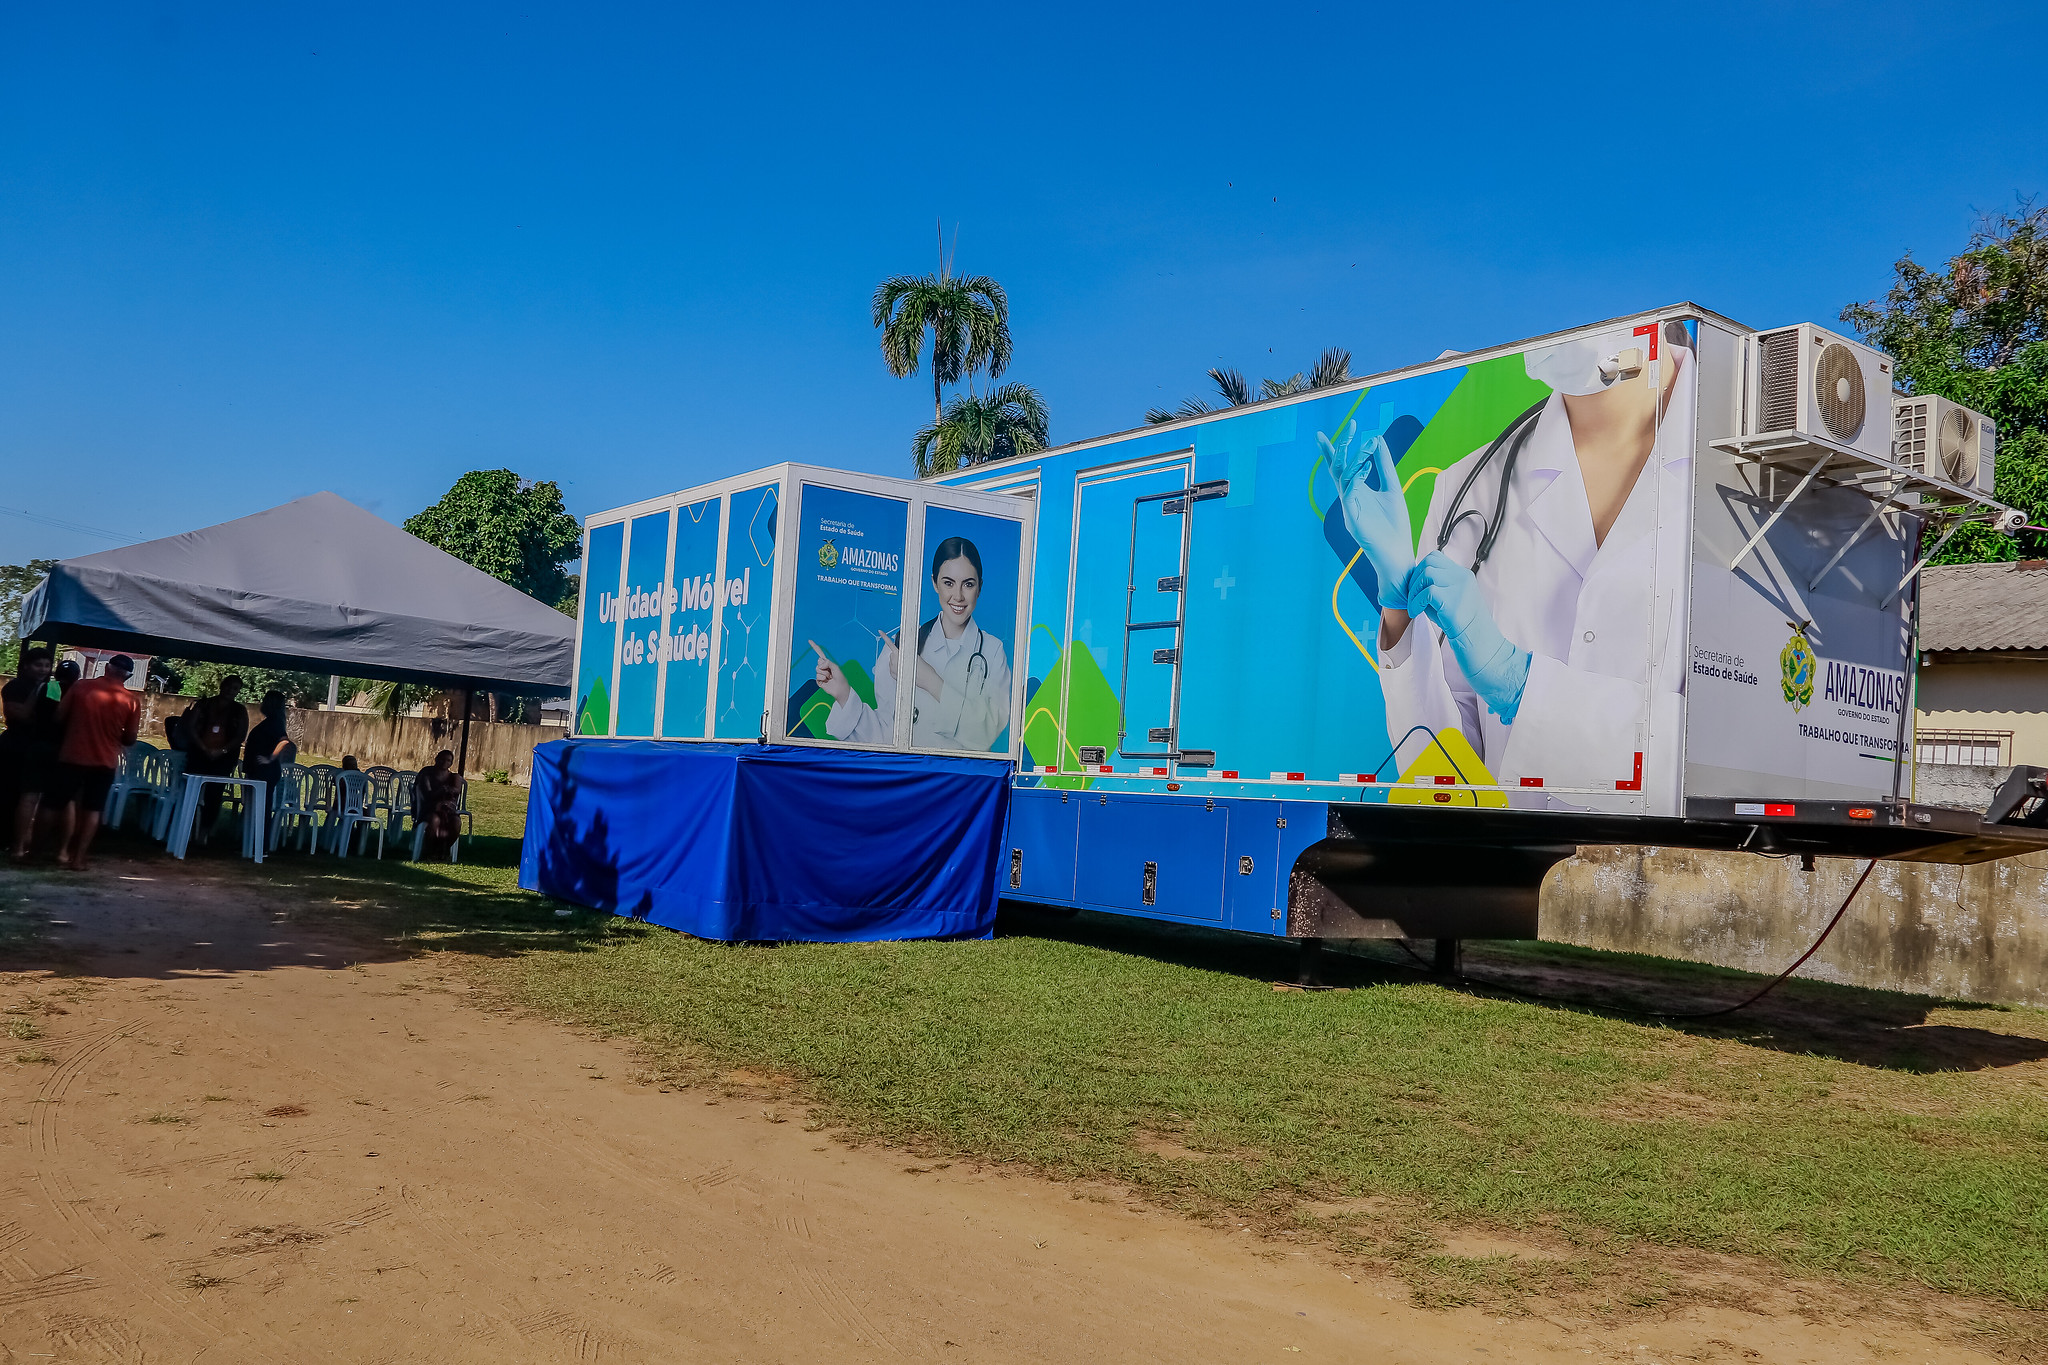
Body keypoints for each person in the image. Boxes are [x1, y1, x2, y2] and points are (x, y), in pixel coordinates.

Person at [1333, 322, 1696, 809]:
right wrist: (1399, 614)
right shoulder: (1469, 486)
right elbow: (1442, 780)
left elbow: (1738, 760)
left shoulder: (1764, 470)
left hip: (1688, 869)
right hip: (1510, 868)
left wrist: (1520, 686)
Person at [812, 536, 1013, 754]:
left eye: (968, 584)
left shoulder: (992, 652)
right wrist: (843, 693)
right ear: (934, 582)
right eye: (948, 583)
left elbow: (986, 734)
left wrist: (928, 678)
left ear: (979, 587)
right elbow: (884, 737)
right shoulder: (904, 645)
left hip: (961, 784)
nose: (958, 596)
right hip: (910, 779)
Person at [50, 654, 141, 871]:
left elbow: (58, 717)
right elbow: (130, 738)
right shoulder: (131, 701)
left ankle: (34, 852)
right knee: (93, 809)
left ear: (107, 668)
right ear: (128, 676)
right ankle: (78, 858)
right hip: (104, 761)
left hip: (72, 756)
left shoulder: (81, 687)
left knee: (52, 804)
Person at [2, 648, 61, 861]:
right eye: (38, 665)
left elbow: (57, 714)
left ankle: (22, 838)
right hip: (15, 745)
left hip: (39, 746)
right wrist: (36, 695)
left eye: (46, 665)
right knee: (9, 793)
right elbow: (16, 714)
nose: (43, 670)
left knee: (31, 796)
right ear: (26, 665)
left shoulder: (53, 687)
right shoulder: (15, 686)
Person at [182, 675, 248, 844]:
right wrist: (203, 748)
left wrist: (222, 751)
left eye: (235, 688)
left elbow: (240, 735)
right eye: (228, 686)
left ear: (238, 691)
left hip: (223, 759)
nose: (230, 691)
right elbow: (190, 727)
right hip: (198, 754)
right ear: (221, 686)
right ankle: (186, 830)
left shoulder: (239, 710)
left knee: (214, 795)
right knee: (191, 793)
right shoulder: (204, 704)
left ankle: (204, 832)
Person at [242, 690, 295, 802]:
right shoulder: (272, 722)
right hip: (259, 770)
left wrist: (269, 758)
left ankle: (263, 820)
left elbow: (284, 741)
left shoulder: (274, 722)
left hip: (265, 771)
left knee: (261, 805)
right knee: (255, 804)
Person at [413, 749, 463, 860]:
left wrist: (447, 794)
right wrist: (441, 791)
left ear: (451, 763)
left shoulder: (454, 777)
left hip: (447, 810)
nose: (444, 762)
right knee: (435, 820)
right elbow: (427, 794)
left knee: (456, 823)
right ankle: (430, 850)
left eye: (448, 760)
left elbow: (456, 792)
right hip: (429, 807)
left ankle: (443, 849)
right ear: (436, 759)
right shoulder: (427, 773)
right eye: (442, 759)